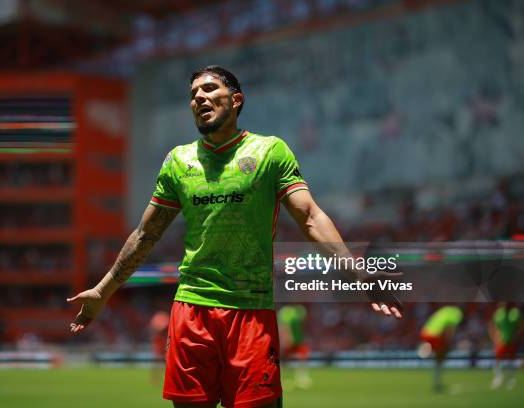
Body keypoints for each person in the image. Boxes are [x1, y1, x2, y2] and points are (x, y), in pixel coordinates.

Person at [67, 65, 402, 408]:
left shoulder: (271, 152)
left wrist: (357, 272)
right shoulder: (177, 162)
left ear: (237, 99)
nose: (199, 97)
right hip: (192, 311)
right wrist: (103, 290)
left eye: (210, 89)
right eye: (194, 94)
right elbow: (144, 235)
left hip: (251, 312)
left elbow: (310, 216)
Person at [419, 305, 463, 392]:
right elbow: (449, 329)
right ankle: (437, 382)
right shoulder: (457, 314)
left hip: (425, 332)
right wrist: (448, 343)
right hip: (437, 335)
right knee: (440, 358)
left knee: (438, 357)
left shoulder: (445, 310)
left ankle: (426, 350)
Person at [277, 304, 311, 390]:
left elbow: (303, 326)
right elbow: (283, 326)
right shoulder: (285, 311)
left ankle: (302, 378)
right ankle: (284, 379)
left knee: (302, 359)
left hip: (299, 339)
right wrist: (285, 338)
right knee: (285, 360)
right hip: (289, 339)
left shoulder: (300, 310)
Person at [489, 302, 521, 389]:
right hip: (501, 341)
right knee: (498, 359)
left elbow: (519, 327)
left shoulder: (515, 313)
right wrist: (494, 337)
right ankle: (498, 378)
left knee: (511, 360)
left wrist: (517, 337)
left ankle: (511, 379)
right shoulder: (499, 313)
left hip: (512, 340)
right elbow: (494, 326)